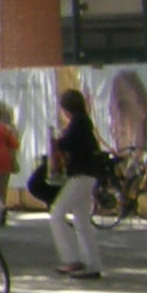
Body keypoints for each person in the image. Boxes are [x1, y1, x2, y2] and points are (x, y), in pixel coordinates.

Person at [47, 87, 108, 279]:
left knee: (56, 214)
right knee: (81, 220)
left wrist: (55, 140)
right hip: (88, 173)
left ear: (67, 108)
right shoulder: (84, 121)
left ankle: (71, 259)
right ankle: (92, 264)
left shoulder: (78, 123)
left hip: (81, 174)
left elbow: (66, 144)